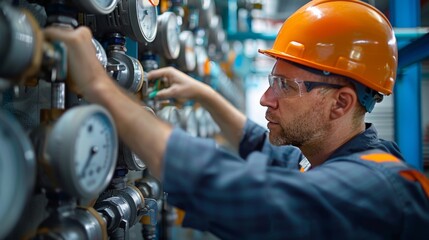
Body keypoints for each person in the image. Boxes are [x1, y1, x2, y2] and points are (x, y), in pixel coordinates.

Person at [44, 0, 429, 239]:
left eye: (283, 85)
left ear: (341, 103)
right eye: (269, 81)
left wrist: (99, 86)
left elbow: (255, 201)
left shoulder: (377, 187)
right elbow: (261, 146)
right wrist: (205, 95)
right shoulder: (327, 156)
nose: (265, 98)